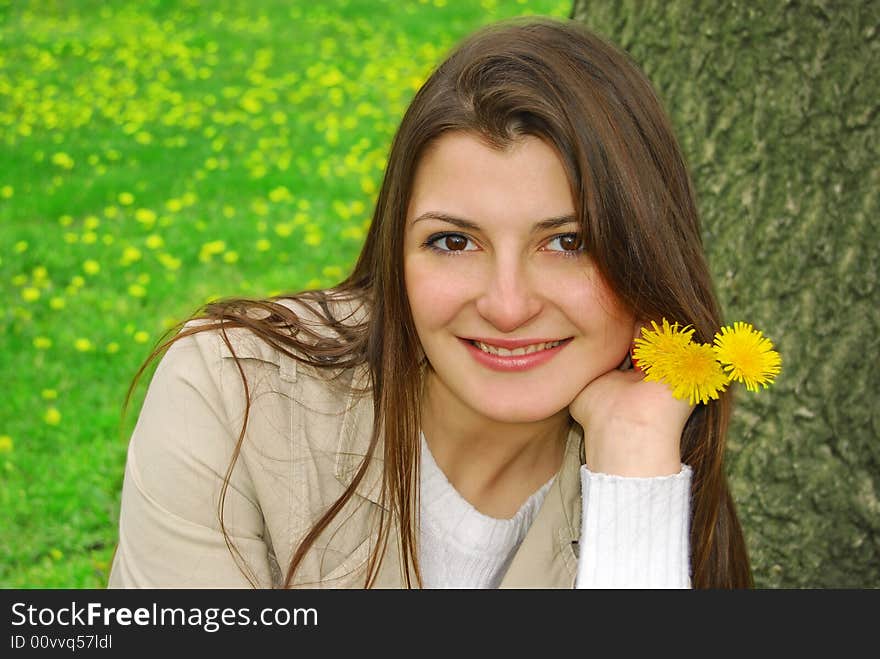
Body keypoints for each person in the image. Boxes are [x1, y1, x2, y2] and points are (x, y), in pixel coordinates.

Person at [107, 16, 752, 589]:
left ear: (645, 252)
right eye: (452, 241)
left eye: (567, 242)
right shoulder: (234, 393)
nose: (507, 305)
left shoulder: (656, 452)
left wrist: (634, 463)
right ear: (397, 254)